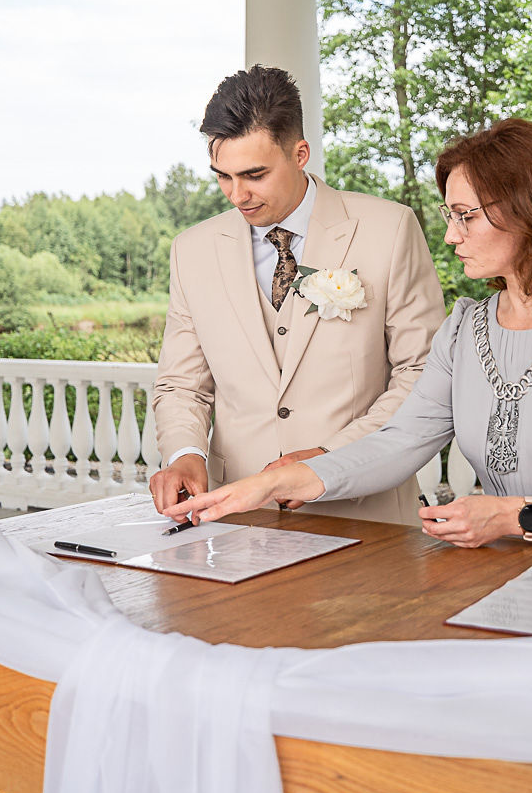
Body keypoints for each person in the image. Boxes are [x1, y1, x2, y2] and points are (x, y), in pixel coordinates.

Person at [166, 118, 532, 551]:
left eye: (465, 217)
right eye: (449, 215)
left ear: (529, 211)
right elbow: (400, 441)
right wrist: (273, 483)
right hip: (504, 581)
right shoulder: (466, 328)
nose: (451, 235)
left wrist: (513, 517)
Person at [148, 66, 444, 524]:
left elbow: (421, 374)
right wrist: (185, 453)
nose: (237, 195)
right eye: (223, 176)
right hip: (239, 519)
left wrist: (330, 458)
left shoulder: (389, 230)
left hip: (366, 513)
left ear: (300, 153)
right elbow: (182, 383)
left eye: (254, 174)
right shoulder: (192, 250)